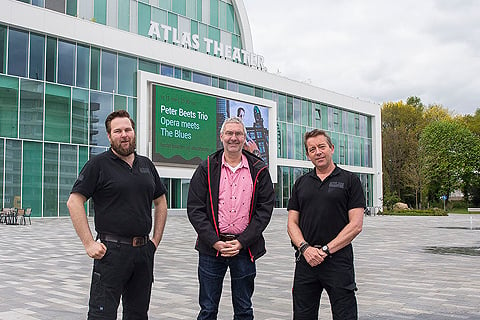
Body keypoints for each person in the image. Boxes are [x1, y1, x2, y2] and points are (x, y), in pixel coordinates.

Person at [67, 110, 168, 320]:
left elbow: (160, 201)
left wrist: (155, 241)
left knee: (138, 314)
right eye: (118, 131)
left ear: (133, 132)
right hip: (111, 253)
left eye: (128, 129)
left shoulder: (147, 165)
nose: (124, 134)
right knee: (102, 315)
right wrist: (88, 243)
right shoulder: (98, 165)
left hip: (143, 254)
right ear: (109, 136)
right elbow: (74, 201)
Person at [187, 116, 275, 320]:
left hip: (244, 249)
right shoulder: (206, 167)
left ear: (245, 138)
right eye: (229, 133)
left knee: (244, 309)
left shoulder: (259, 169)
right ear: (221, 137)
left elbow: (264, 210)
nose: (233, 138)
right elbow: (195, 209)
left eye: (238, 134)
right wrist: (214, 241)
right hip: (211, 250)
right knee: (208, 309)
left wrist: (243, 242)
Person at [287, 129, 365, 320]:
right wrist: (305, 248)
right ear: (308, 155)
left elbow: (356, 225)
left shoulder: (350, 181)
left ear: (331, 148)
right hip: (306, 260)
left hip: (338, 261)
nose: (318, 152)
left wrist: (326, 250)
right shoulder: (301, 183)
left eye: (322, 147)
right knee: (302, 315)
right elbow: (291, 223)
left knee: (345, 315)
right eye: (312, 149)